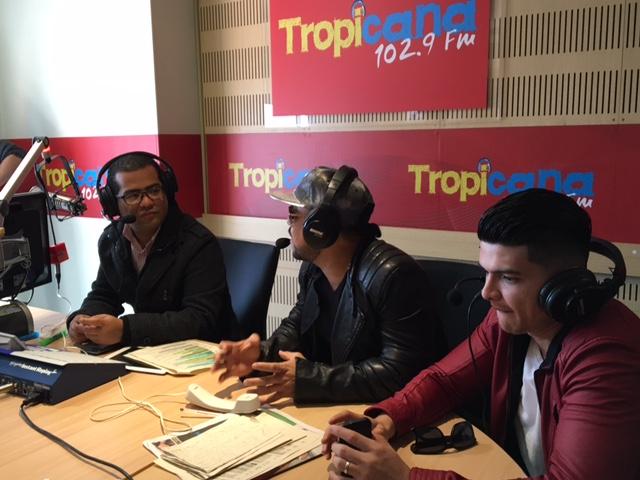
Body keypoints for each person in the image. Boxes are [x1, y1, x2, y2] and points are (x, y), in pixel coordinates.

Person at [322, 188, 640, 480]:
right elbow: (444, 381)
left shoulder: (604, 358)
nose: (488, 293)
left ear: (564, 287)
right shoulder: (512, 323)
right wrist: (387, 418)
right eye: (486, 272)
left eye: (509, 277)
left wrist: (405, 478)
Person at [213, 166, 443, 404]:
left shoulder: (393, 276)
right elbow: (296, 328)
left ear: (319, 227)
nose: (288, 224)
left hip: (386, 414)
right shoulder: (313, 270)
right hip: (342, 406)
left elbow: (400, 374)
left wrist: (310, 380)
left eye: (294, 215)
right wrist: (261, 354)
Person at [67, 152, 235, 347]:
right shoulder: (112, 240)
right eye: (133, 195)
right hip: (152, 351)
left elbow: (199, 320)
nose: (147, 202)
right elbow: (105, 294)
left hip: (210, 353)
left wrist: (126, 330)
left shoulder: (198, 243)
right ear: (112, 203)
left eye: (154, 190)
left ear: (167, 191)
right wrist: (83, 319)